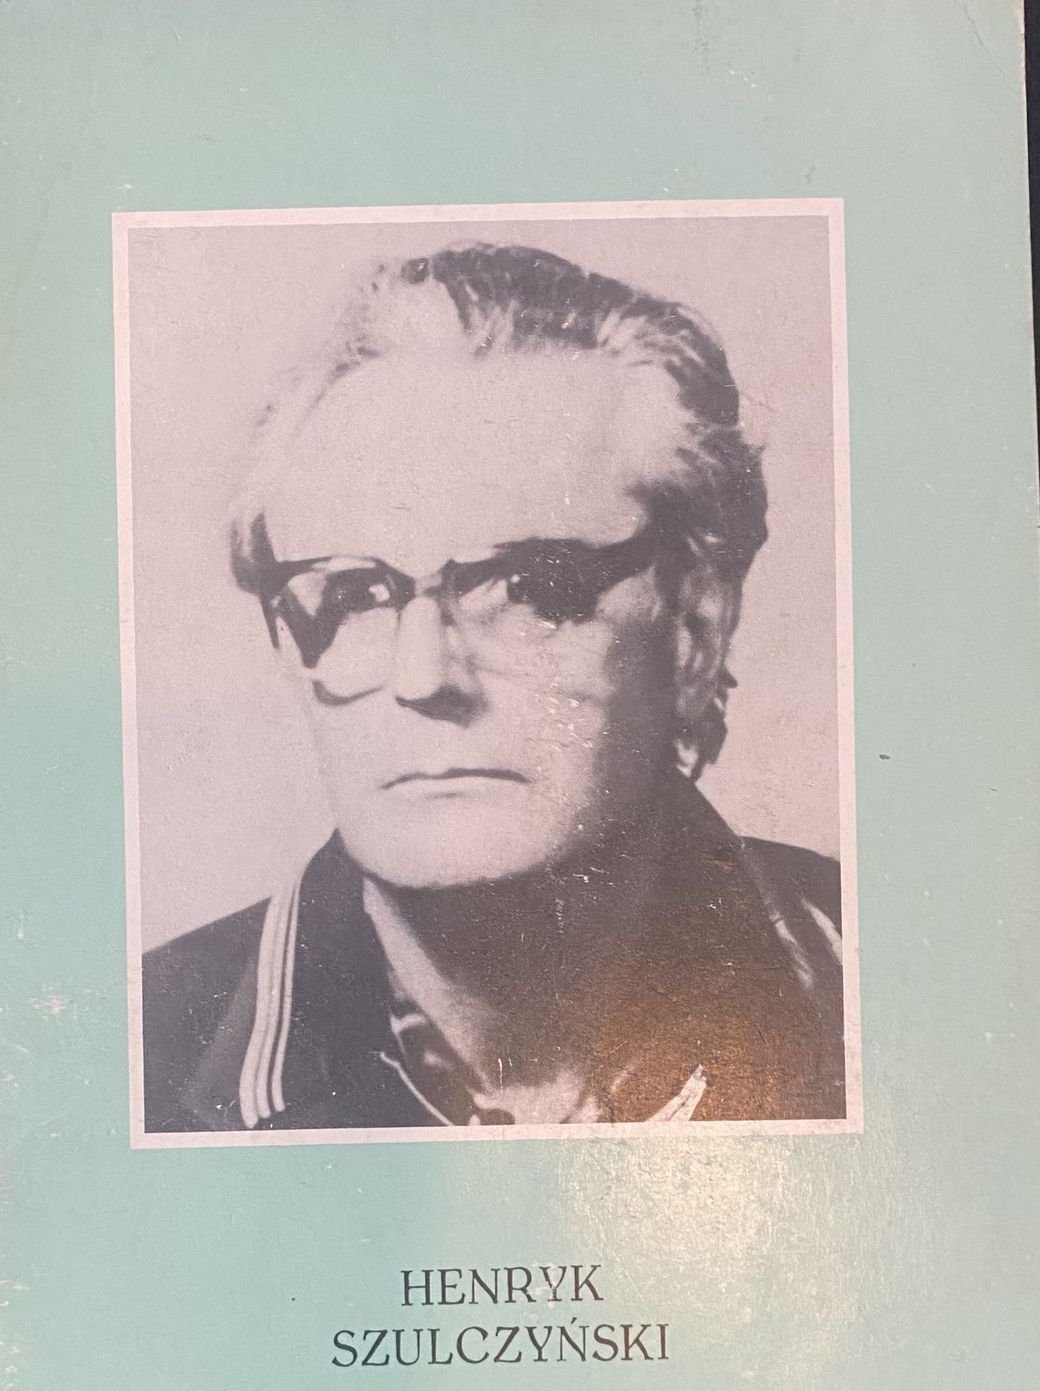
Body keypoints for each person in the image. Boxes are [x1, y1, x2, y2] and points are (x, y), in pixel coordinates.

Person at [142, 242, 845, 1132]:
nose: (425, 676)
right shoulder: (123, 1057)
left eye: (532, 589)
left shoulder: (902, 981)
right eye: (354, 596)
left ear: (694, 634)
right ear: (286, 643)